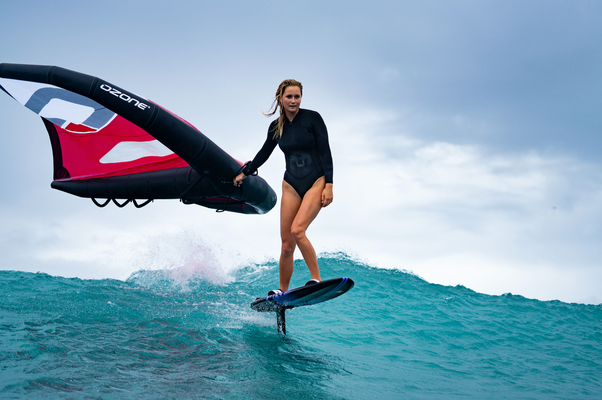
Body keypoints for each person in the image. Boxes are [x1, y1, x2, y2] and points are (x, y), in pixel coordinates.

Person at [233, 79, 334, 295]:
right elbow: (264, 153)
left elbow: (326, 152)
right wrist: (245, 172)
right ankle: (282, 291)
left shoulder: (313, 119)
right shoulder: (276, 127)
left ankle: (316, 279)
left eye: (297, 96)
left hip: (316, 181)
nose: (293, 101)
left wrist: (329, 185)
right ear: (281, 99)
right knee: (287, 245)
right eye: (289, 96)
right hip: (291, 184)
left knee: (298, 230)